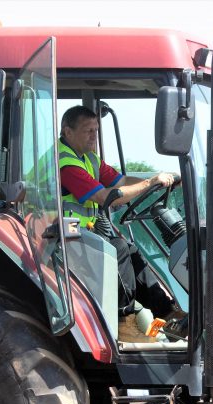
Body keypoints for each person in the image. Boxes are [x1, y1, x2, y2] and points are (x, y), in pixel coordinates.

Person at [58, 105, 185, 337]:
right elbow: (105, 197)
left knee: (131, 249)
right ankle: (123, 322)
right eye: (88, 131)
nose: (94, 136)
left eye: (96, 130)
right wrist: (149, 183)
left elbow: (121, 181)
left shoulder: (89, 158)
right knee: (116, 249)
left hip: (79, 232)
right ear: (68, 132)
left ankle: (167, 314)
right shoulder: (66, 164)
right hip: (58, 238)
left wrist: (158, 182)